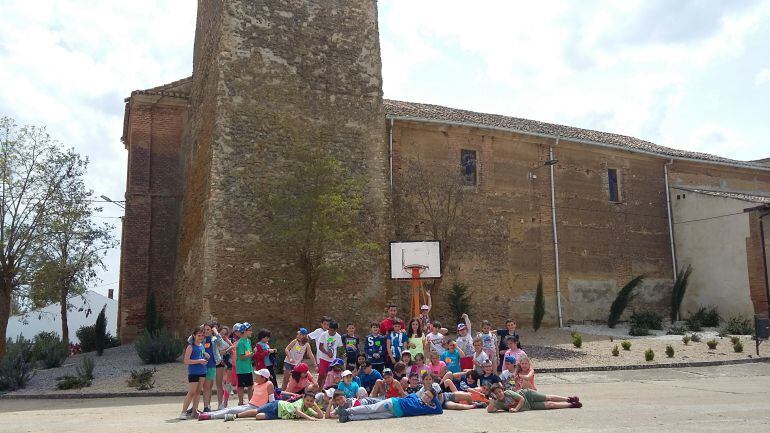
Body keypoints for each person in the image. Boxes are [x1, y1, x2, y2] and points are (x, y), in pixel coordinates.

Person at [198, 369, 275, 421]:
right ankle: (208, 413)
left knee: (231, 411)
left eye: (258, 375)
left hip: (256, 408)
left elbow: (272, 401)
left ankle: (209, 416)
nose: (256, 376)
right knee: (228, 409)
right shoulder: (256, 384)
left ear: (263, 378)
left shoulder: (269, 384)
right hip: (250, 405)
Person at [337, 387, 443, 422]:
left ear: (431, 400)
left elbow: (440, 410)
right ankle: (347, 411)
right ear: (423, 393)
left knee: (371, 416)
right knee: (371, 409)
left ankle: (349, 418)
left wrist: (436, 392)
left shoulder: (428, 408)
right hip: (393, 403)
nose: (426, 397)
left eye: (429, 397)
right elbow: (404, 397)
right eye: (426, 394)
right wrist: (431, 393)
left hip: (396, 414)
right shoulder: (415, 396)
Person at [223, 391, 325, 422]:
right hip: (277, 405)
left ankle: (236, 416)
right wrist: (309, 418)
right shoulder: (301, 403)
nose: (309, 402)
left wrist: (314, 405)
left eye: (311, 401)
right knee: (256, 411)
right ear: (303, 399)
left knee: (258, 417)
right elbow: (298, 411)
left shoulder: (309, 409)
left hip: (279, 415)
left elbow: (320, 416)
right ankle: (235, 416)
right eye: (307, 400)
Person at [486, 383, 581, 412]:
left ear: (502, 390)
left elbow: (521, 399)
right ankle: (571, 405)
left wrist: (516, 409)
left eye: (499, 391)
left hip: (527, 395)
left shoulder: (508, 392)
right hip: (529, 406)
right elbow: (489, 410)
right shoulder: (498, 402)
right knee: (550, 405)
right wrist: (493, 398)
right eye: (496, 393)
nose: (499, 394)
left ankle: (568, 399)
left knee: (548, 398)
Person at [180, 326, 209, 420]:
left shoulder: (202, 345)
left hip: (203, 371)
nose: (201, 337)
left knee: (197, 392)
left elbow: (202, 355)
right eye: (199, 335)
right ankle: (183, 412)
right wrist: (199, 361)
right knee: (191, 392)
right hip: (193, 372)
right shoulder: (190, 346)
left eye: (202, 336)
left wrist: (205, 356)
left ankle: (194, 411)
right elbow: (186, 361)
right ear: (194, 335)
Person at [317, 320, 343, 387]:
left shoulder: (338, 337)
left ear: (336, 330)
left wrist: (338, 359)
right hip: (323, 358)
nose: (331, 332)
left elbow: (338, 349)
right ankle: (318, 390)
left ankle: (325, 390)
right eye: (330, 330)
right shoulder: (324, 334)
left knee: (328, 376)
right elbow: (320, 347)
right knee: (321, 376)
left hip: (332, 361)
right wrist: (327, 353)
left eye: (333, 330)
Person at [235, 322, 254, 405]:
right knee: (241, 386)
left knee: (250, 386)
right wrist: (252, 354)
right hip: (242, 369)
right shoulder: (241, 343)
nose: (251, 332)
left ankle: (251, 402)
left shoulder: (248, 341)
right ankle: (241, 402)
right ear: (245, 331)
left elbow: (248, 353)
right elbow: (242, 357)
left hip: (248, 368)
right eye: (250, 330)